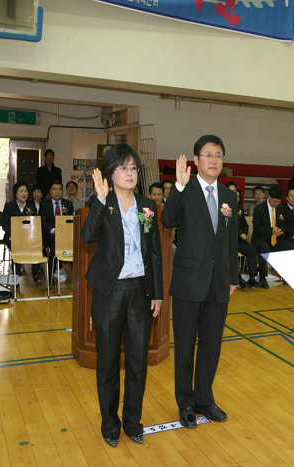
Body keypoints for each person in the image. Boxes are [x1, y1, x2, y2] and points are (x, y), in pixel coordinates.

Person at [81, 143, 163, 448]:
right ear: (110, 172)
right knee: (108, 362)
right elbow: (88, 236)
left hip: (140, 291)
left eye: (133, 168)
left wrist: (157, 292)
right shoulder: (102, 201)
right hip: (110, 291)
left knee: (138, 362)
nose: (130, 173)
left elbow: (154, 252)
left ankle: (132, 423)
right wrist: (100, 201)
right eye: (123, 168)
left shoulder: (147, 205)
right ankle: (110, 424)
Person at [161, 135, 238, 428]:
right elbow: (168, 220)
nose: (214, 160)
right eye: (208, 155)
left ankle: (205, 399)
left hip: (218, 285)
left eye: (218, 155)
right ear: (196, 161)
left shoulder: (229, 197)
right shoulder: (185, 190)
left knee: (211, 346)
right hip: (188, 283)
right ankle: (186, 403)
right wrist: (178, 186)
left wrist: (232, 277)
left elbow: (230, 239)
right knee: (185, 347)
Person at [251, 185, 294, 289]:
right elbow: (257, 228)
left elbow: (283, 223)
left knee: (290, 247)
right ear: (269, 197)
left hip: (276, 238)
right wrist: (271, 230)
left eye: (278, 202)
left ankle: (286, 276)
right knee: (264, 247)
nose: (276, 204)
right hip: (261, 239)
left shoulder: (280, 208)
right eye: (274, 201)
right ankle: (262, 278)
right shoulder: (259, 209)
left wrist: (281, 230)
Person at [225, 182, 260, 288]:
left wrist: (244, 232)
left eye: (235, 191)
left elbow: (245, 224)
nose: (233, 193)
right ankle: (238, 278)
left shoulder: (239, 208)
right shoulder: (223, 207)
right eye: (231, 191)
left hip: (238, 240)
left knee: (252, 249)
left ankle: (252, 277)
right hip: (226, 241)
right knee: (232, 251)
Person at [1, 181, 39, 279]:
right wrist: (16, 233)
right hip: (12, 236)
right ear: (15, 193)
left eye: (25, 191)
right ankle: (16, 274)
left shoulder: (31, 206)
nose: (24, 193)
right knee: (16, 245)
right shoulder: (9, 207)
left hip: (28, 236)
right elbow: (5, 225)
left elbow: (35, 224)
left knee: (37, 245)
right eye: (21, 191)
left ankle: (36, 274)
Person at [40, 181, 74, 285]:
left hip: (66, 234)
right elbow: (42, 222)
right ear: (50, 191)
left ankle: (77, 278)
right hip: (50, 235)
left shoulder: (68, 204)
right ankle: (50, 277)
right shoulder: (44, 204)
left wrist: (64, 232)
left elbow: (72, 220)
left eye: (59, 189)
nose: (57, 192)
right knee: (54, 245)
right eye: (54, 189)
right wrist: (54, 231)